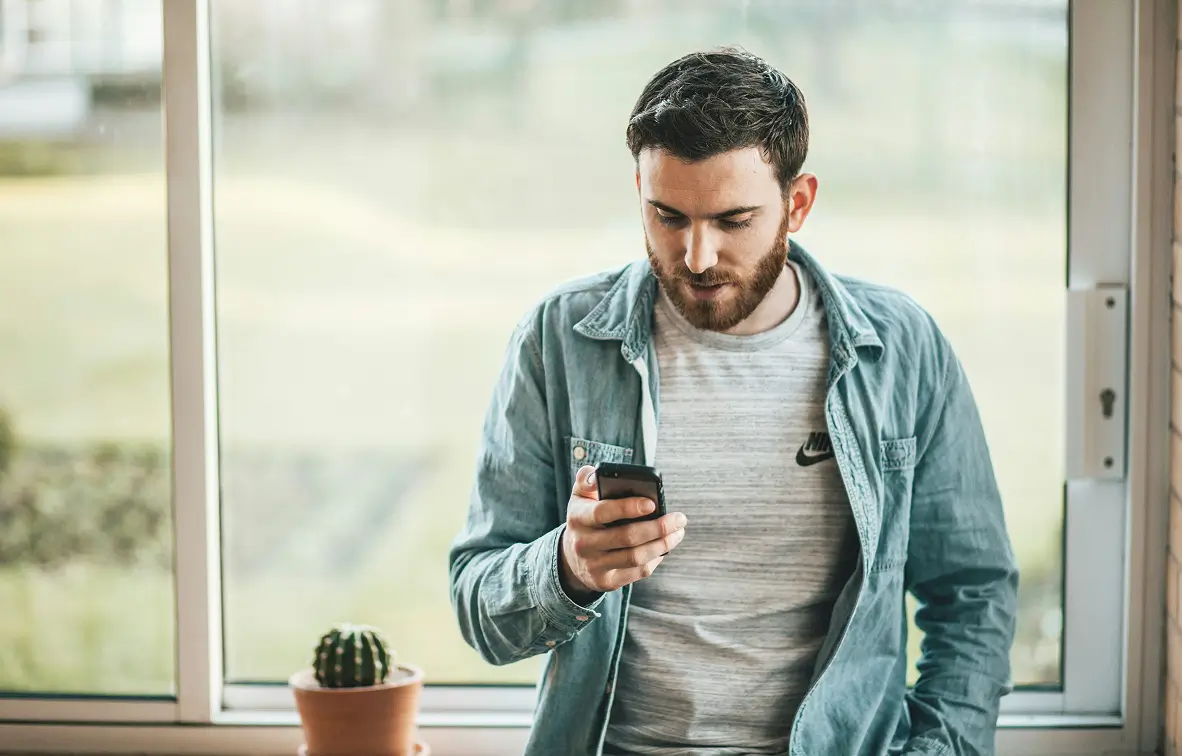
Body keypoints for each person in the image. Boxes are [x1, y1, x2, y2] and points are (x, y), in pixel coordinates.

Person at [449, 47, 1018, 756]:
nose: (696, 256)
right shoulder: (558, 339)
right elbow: (479, 607)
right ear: (639, 189)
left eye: (733, 220)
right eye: (667, 216)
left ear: (797, 203)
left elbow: (972, 594)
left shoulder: (902, 350)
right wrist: (569, 568)